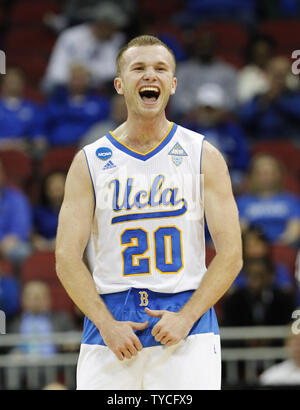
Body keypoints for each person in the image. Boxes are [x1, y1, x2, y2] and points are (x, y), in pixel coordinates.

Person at [55, 35, 243, 390]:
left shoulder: (203, 155)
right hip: (111, 320)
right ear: (119, 83)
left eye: (160, 68)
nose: (149, 76)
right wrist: (106, 325)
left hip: (186, 318)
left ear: (172, 84)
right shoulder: (90, 161)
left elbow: (232, 254)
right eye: (138, 68)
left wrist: (187, 317)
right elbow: (66, 258)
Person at [43, 2, 127, 93]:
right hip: (66, 85)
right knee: (49, 85)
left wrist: (88, 73)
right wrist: (76, 78)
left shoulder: (114, 40)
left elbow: (112, 71)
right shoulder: (71, 36)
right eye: (113, 27)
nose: (115, 31)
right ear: (102, 25)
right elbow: (56, 71)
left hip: (94, 87)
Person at [237, 153, 300, 246]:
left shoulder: (291, 201)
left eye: (270, 173)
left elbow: (295, 229)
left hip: (284, 247)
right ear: (252, 175)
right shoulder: (242, 202)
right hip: (251, 250)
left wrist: (279, 244)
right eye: (261, 173)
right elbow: (240, 230)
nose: (266, 177)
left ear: (279, 175)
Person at [44, 63, 110, 147]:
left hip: (88, 147)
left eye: (80, 78)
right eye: (74, 78)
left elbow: (103, 126)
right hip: (57, 145)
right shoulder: (57, 100)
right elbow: (47, 122)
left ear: (88, 80)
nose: (77, 82)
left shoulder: (100, 101)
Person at [221, 257, 296, 327]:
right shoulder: (234, 300)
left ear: (270, 276)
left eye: (260, 275)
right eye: (251, 275)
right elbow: (229, 328)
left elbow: (290, 325)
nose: (255, 280)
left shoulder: (284, 299)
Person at [239, 56, 300, 142]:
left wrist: (278, 99)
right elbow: (245, 119)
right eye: (276, 75)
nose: (278, 80)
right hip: (262, 145)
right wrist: (263, 102)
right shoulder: (259, 98)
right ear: (267, 75)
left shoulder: (294, 96)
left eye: (282, 75)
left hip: (291, 144)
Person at [32, 171, 67, 252]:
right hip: (43, 247)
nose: (56, 187)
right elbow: (31, 232)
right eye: (52, 184)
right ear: (46, 189)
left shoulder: (78, 210)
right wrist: (37, 241)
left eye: (60, 184)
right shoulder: (38, 211)